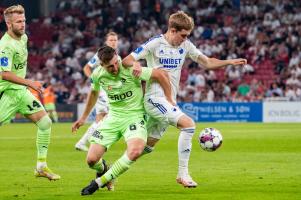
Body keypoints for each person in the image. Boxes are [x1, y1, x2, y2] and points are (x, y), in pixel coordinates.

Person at [122, 11, 247, 188]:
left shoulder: (186, 46)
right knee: (188, 125)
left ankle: (111, 171)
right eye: (183, 35)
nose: (185, 39)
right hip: (154, 99)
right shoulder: (155, 43)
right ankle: (183, 174)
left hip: (169, 100)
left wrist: (229, 62)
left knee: (145, 147)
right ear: (172, 30)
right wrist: (136, 63)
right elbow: (126, 60)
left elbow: (207, 62)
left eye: (187, 35)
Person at [71, 46, 172, 195]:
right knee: (91, 160)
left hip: (134, 117)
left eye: (116, 63)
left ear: (117, 56)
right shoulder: (98, 74)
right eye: (110, 66)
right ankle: (104, 168)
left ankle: (101, 181)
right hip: (112, 118)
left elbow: (160, 75)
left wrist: (170, 99)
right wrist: (83, 118)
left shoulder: (130, 67)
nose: (115, 68)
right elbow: (93, 93)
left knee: (135, 151)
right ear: (101, 65)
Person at [0, 5, 60, 180]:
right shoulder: (5, 46)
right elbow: (4, 74)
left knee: (45, 122)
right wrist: (30, 82)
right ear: (9, 24)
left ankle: (41, 167)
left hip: (21, 92)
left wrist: (26, 84)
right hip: (6, 93)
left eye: (24, 21)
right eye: (19, 22)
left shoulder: (23, 38)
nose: (23, 24)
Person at [75, 32, 118, 151]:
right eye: (111, 40)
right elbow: (86, 68)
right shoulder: (101, 55)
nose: (113, 42)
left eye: (115, 40)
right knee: (110, 116)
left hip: (108, 90)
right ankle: (96, 141)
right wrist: (93, 80)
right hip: (103, 90)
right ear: (106, 42)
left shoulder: (115, 56)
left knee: (101, 118)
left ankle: (82, 142)